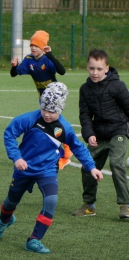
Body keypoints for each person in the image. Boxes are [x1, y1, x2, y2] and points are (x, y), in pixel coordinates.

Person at [0, 82, 103, 254]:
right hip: (24, 169)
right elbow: (9, 133)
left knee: (51, 201)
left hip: (47, 170)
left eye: (52, 111)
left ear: (61, 109)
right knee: (10, 202)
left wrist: (91, 167)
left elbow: (78, 147)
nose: (47, 114)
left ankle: (34, 240)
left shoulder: (64, 128)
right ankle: (4, 222)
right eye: (44, 109)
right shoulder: (30, 119)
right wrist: (17, 157)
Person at [72, 49, 129, 218]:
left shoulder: (117, 86)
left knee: (116, 163)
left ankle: (125, 205)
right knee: (87, 166)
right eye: (91, 68)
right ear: (87, 68)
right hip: (98, 134)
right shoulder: (85, 89)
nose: (94, 72)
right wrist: (89, 133)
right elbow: (85, 115)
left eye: (98, 69)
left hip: (118, 131)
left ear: (106, 68)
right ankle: (89, 205)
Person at [10, 30, 72, 170]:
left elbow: (62, 71)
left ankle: (65, 153)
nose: (33, 48)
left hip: (54, 96)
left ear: (43, 47)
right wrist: (14, 67)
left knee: (51, 124)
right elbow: (14, 74)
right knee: (48, 125)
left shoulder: (47, 59)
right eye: (32, 45)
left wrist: (50, 55)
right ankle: (61, 152)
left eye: (36, 45)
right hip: (42, 98)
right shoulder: (29, 60)